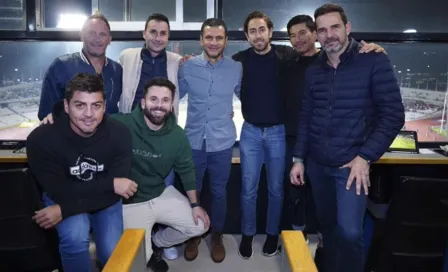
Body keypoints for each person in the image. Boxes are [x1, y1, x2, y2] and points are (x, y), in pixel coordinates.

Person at [290, 4, 405, 272]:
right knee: (327, 228)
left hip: (352, 165)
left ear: (348, 28)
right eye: (322, 30)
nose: (329, 35)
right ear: (316, 35)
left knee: (351, 232)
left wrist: (365, 157)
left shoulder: (374, 60)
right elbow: (306, 117)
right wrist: (299, 158)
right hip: (317, 165)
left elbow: (393, 115)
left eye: (335, 27)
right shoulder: (314, 70)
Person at [27, 73, 137, 272]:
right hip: (65, 195)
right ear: (66, 106)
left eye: (96, 105)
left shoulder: (120, 134)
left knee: (113, 251)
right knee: (75, 238)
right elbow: (61, 192)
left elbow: (115, 194)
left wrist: (63, 210)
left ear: (104, 107)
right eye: (80, 105)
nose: (89, 114)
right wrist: (110, 183)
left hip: (104, 199)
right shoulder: (41, 139)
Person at [111, 77, 210, 272]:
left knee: (200, 225)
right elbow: (89, 122)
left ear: (172, 105)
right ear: (143, 102)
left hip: (160, 194)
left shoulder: (178, 135)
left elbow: (187, 170)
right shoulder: (121, 124)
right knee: (139, 260)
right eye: (153, 99)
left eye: (165, 100)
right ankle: (148, 248)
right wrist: (56, 118)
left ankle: (157, 241)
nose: (159, 105)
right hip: (131, 204)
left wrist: (195, 205)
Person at [231, 11, 296, 259]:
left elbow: (316, 56)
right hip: (250, 131)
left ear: (270, 31)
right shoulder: (239, 59)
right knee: (248, 187)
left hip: (278, 131)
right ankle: (248, 234)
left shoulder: (286, 55)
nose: (258, 35)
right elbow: (226, 80)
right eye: (252, 31)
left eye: (262, 29)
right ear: (247, 35)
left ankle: (272, 234)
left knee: (276, 188)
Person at [118, 13, 183, 259]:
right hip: (132, 133)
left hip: (163, 132)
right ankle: (133, 236)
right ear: (144, 34)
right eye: (153, 32)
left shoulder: (177, 61)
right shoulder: (127, 57)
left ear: (168, 36)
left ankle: (162, 240)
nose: (158, 37)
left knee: (165, 186)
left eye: (163, 33)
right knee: (132, 187)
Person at [178, 18, 242, 263]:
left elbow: (245, 95)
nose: (213, 42)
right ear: (201, 40)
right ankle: (194, 234)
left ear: (226, 41)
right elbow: (174, 95)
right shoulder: (188, 67)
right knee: (193, 191)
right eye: (209, 37)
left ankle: (217, 235)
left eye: (219, 38)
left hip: (222, 141)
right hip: (192, 140)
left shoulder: (236, 68)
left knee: (218, 191)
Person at [38, 12, 122, 121]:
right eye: (91, 33)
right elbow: (46, 113)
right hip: (70, 137)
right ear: (81, 36)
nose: (97, 39)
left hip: (108, 136)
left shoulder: (117, 70)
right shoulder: (61, 66)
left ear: (109, 39)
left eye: (102, 34)